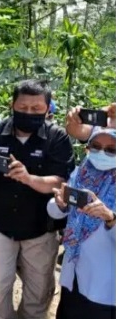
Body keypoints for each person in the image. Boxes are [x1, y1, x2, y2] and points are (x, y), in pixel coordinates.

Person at [0, 79, 75, 319]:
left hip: (40, 229)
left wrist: (28, 178)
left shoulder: (57, 138)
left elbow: (62, 182)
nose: (29, 113)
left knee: (39, 292)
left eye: (36, 109)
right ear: (13, 105)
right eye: (23, 107)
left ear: (48, 108)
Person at [47, 128, 116, 319]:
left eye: (111, 150)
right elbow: (56, 210)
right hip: (75, 274)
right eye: (96, 147)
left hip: (105, 286)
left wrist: (110, 217)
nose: (102, 153)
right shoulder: (82, 173)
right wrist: (59, 204)